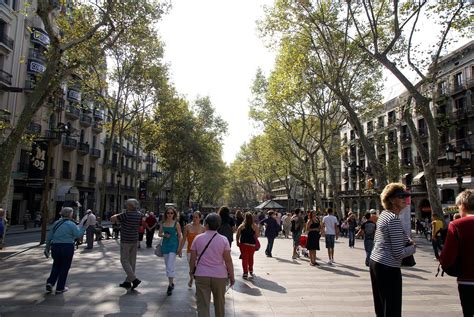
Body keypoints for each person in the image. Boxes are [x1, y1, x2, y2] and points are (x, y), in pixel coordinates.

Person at [370, 183, 416, 317]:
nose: (404, 199)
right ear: (390, 199)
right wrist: (412, 248)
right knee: (391, 308)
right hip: (388, 266)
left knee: (381, 306)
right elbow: (398, 253)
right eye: (400, 196)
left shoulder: (384, 215)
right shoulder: (393, 219)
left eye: (405, 196)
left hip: (376, 262)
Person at [189, 213, 235, 317]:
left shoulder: (198, 238)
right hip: (219, 276)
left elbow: (192, 259)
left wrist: (191, 271)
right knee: (219, 304)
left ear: (206, 224)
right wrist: (232, 276)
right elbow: (228, 260)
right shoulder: (224, 240)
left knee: (203, 305)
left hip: (201, 275)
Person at [439, 189, 474, 317]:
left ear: (463, 205)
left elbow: (447, 256)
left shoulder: (457, 225)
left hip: (467, 280)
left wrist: (443, 263)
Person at [44, 207, 88, 294]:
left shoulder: (56, 223)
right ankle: (60, 287)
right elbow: (78, 235)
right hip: (67, 247)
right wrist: (83, 228)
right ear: (70, 214)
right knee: (64, 267)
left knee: (56, 265)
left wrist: (47, 248)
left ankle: (50, 282)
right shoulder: (71, 224)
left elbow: (49, 237)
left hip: (55, 247)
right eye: (72, 213)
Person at [110, 198, 143, 290]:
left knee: (124, 260)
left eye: (127, 204)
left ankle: (134, 279)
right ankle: (128, 282)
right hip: (134, 239)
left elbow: (112, 219)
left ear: (130, 206)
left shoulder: (125, 215)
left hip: (126, 240)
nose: (125, 205)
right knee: (132, 261)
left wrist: (117, 214)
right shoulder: (139, 214)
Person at [159, 207, 184, 296]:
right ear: (166, 214)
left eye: (171, 213)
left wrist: (180, 249)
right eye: (168, 213)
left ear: (174, 214)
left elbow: (180, 236)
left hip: (174, 246)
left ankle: (170, 285)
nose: (169, 214)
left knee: (170, 265)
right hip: (165, 246)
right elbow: (159, 233)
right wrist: (164, 235)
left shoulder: (176, 224)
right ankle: (171, 282)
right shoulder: (163, 223)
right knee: (167, 265)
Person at [183, 211, 206, 287]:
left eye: (196, 217)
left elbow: (206, 241)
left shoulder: (203, 228)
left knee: (198, 268)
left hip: (200, 252)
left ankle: (196, 284)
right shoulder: (187, 227)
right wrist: (179, 249)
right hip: (190, 251)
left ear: (200, 218)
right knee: (191, 268)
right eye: (193, 217)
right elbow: (183, 239)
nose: (195, 219)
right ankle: (191, 278)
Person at [236, 212, 259, 279]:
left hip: (243, 244)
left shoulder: (242, 226)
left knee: (244, 259)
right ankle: (251, 269)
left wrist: (237, 241)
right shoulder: (254, 226)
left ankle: (245, 272)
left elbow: (238, 234)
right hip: (252, 244)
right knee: (251, 257)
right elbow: (257, 235)